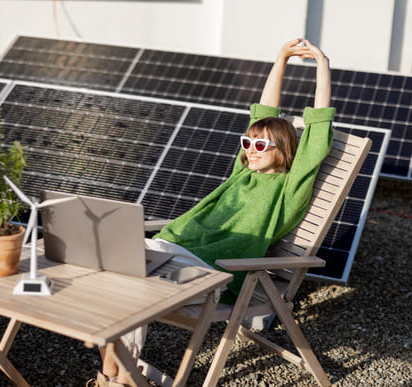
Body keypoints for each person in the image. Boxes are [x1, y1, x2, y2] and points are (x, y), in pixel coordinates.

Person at [92, 38, 335, 387]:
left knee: (130, 290)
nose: (250, 150)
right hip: (165, 250)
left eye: (261, 145)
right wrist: (280, 57)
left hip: (204, 272)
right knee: (108, 276)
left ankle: (118, 379)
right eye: (247, 143)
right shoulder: (243, 173)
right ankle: (123, 378)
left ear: (283, 151)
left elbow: (318, 129)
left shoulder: (289, 188)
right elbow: (262, 112)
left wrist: (321, 63)